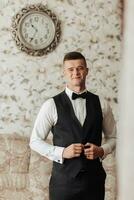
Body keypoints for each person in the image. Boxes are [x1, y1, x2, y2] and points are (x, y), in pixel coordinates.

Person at [29, 51, 116, 200]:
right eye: (70, 69)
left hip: (94, 183)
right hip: (63, 184)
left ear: (86, 71)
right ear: (64, 72)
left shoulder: (102, 104)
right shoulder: (51, 105)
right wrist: (62, 152)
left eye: (80, 68)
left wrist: (101, 151)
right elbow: (35, 141)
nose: (75, 72)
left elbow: (114, 137)